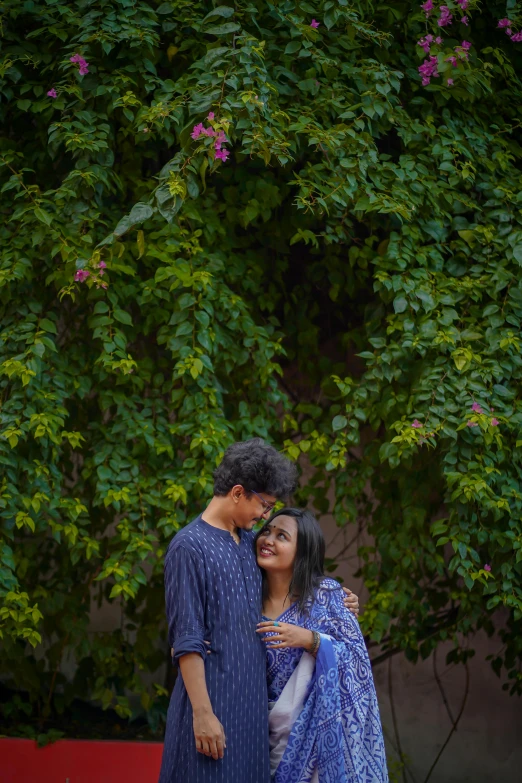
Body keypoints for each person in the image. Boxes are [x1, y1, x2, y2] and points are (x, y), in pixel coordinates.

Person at [159, 439, 359, 783]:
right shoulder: (188, 547)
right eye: (264, 506)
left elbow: (292, 574)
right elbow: (187, 640)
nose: (266, 516)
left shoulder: (251, 543)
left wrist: (335, 596)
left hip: (252, 720)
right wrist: (203, 715)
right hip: (212, 708)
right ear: (238, 492)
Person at [255, 508, 388, 783]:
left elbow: (358, 664)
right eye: (266, 531)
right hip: (255, 742)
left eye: (282, 536)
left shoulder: (327, 596)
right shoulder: (245, 598)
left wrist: (310, 640)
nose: (268, 539)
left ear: (302, 552)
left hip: (318, 745)